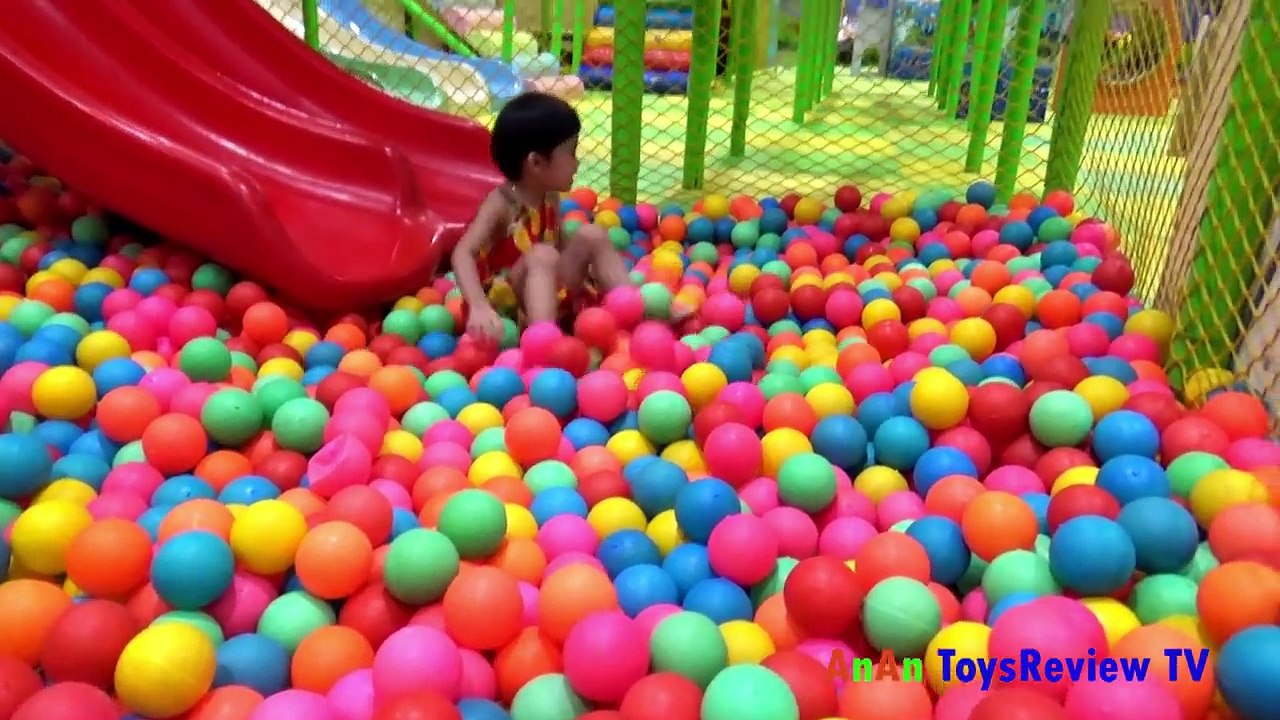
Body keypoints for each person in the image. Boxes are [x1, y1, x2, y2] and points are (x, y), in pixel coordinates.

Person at [451, 92, 632, 344]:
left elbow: (559, 246)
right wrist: (479, 307)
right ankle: (543, 344)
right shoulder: (502, 202)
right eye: (571, 153)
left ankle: (632, 313)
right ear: (536, 162)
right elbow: (463, 253)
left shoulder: (550, 197)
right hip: (509, 306)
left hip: (552, 291)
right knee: (542, 255)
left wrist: (587, 272)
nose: (577, 164)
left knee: (592, 234)